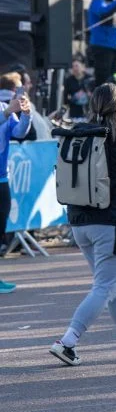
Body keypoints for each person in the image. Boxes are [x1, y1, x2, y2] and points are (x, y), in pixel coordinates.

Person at [48, 84, 116, 366]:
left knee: (113, 287)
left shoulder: (78, 134)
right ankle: (68, 341)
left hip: (79, 221)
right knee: (105, 287)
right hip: (111, 224)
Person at [0, 91, 32, 292]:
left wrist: (26, 114)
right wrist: (7, 113)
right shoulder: (5, 110)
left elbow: (19, 132)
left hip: (2, 178)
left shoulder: (3, 107)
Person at [63, 56, 94, 121]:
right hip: (74, 114)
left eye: (77, 66)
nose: (74, 68)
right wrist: (73, 98)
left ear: (83, 67)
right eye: (73, 66)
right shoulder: (69, 80)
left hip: (89, 114)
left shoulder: (91, 79)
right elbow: (65, 99)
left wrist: (89, 95)